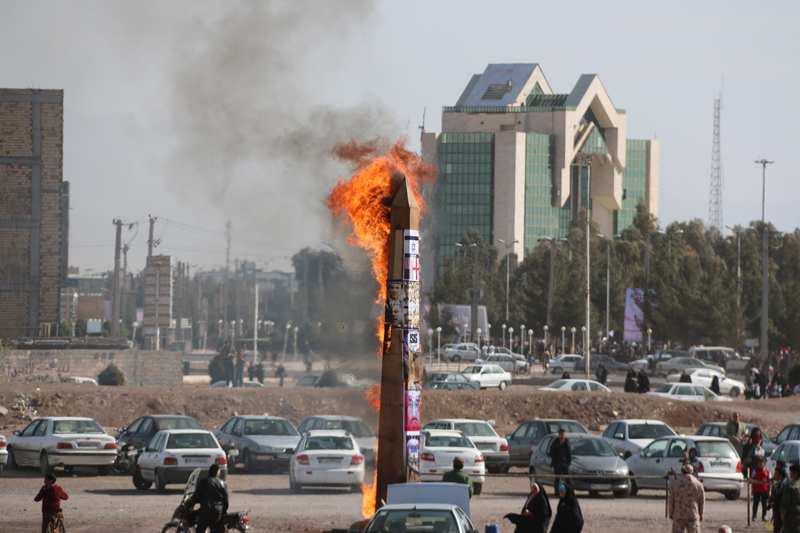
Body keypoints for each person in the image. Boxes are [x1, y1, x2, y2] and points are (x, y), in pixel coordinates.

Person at [185, 464, 229, 533]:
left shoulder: (203, 482)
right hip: (217, 512)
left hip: (205, 511)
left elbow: (196, 496)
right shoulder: (223, 483)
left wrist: (189, 504)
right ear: (217, 472)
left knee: (200, 530)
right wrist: (223, 511)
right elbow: (225, 500)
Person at [669, 463, 705, 533]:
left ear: (682, 471)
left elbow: (671, 499)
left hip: (679, 514)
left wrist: (671, 512)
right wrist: (701, 514)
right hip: (693, 514)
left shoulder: (675, 484)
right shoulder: (698, 485)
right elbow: (701, 501)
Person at [780, 463, 800, 533]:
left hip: (792, 517)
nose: (790, 473)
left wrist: (782, 514)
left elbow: (785, 502)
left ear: (795, 473)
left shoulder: (791, 486)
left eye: (791, 472)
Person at [752, 457, 772, 522]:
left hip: (765, 491)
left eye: (761, 463)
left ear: (765, 464)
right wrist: (752, 490)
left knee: (764, 504)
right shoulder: (755, 471)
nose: (760, 464)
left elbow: (770, 482)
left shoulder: (768, 472)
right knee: (755, 503)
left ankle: (764, 515)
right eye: (759, 463)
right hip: (757, 490)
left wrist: (769, 491)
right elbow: (753, 481)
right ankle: (754, 515)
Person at [770, 467, 789, 533]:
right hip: (777, 511)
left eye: (776, 474)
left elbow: (781, 499)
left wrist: (774, 503)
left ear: (780, 475)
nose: (774, 475)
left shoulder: (782, 486)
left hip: (780, 512)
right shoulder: (779, 485)